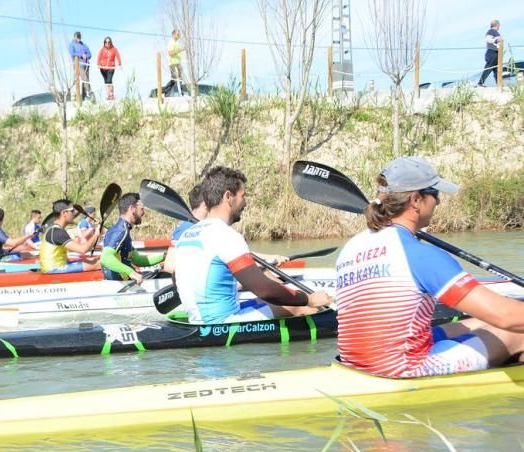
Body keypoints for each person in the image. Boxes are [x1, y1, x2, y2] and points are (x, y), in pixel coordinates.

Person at [335, 157, 524, 377]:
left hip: (357, 366)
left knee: (477, 322)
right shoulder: (420, 254)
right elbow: (505, 316)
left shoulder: (352, 247)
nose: (438, 202)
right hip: (405, 369)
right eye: (435, 194)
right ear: (416, 199)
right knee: (518, 332)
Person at [168, 166, 331, 323]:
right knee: (298, 307)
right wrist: (308, 298)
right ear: (228, 197)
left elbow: (177, 279)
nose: (244, 203)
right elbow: (264, 289)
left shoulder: (186, 235)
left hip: (196, 319)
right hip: (224, 322)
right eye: (242, 196)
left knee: (266, 300)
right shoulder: (226, 235)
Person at [101, 192, 165, 284]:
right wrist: (131, 272)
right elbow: (105, 258)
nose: (143, 212)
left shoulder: (123, 230)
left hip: (124, 282)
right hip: (120, 286)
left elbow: (138, 260)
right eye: (141, 209)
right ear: (132, 209)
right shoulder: (120, 231)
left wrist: (165, 256)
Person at [39, 199, 101, 274]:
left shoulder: (55, 230)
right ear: (64, 213)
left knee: (95, 259)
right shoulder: (57, 232)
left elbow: (73, 247)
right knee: (98, 264)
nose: (74, 213)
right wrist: (96, 234)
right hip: (54, 269)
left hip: (57, 266)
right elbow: (82, 250)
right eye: (72, 211)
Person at [478, 19, 503, 87]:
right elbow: (488, 39)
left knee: (496, 69)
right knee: (488, 68)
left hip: (495, 52)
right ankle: (480, 83)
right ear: (497, 25)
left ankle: (498, 84)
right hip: (492, 52)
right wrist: (496, 39)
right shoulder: (492, 31)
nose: (499, 27)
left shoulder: (494, 32)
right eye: (499, 25)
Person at [69, 32, 92, 100]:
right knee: (83, 78)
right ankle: (90, 93)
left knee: (86, 79)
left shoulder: (84, 45)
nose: (78, 38)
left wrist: (86, 56)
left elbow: (90, 54)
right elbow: (72, 53)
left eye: (79, 37)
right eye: (77, 37)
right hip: (78, 64)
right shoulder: (72, 44)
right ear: (74, 37)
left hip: (86, 64)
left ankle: (84, 96)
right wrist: (81, 55)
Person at [97, 37, 122, 101]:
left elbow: (118, 56)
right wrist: (98, 64)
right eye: (106, 42)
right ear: (104, 43)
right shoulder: (102, 50)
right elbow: (99, 57)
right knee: (106, 82)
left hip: (111, 68)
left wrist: (119, 64)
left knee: (109, 81)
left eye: (109, 42)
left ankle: (112, 94)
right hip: (103, 68)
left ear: (111, 42)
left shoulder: (114, 49)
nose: (107, 43)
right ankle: (108, 95)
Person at [166, 29, 185, 96]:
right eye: (178, 34)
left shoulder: (177, 42)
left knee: (180, 78)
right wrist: (180, 50)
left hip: (178, 62)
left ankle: (181, 93)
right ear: (173, 34)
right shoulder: (171, 43)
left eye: (179, 34)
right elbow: (170, 53)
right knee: (174, 79)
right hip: (173, 63)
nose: (179, 36)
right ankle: (166, 92)